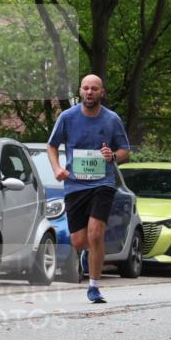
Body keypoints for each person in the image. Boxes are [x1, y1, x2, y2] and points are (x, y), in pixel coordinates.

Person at [47, 74, 130, 304]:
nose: (90, 92)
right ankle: (86, 255)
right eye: (86, 88)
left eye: (94, 88)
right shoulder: (67, 117)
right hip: (75, 184)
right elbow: (52, 145)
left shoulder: (111, 119)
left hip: (103, 183)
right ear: (80, 91)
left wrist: (112, 156)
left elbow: (125, 150)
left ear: (101, 92)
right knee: (79, 241)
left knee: (96, 233)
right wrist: (57, 168)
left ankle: (94, 286)